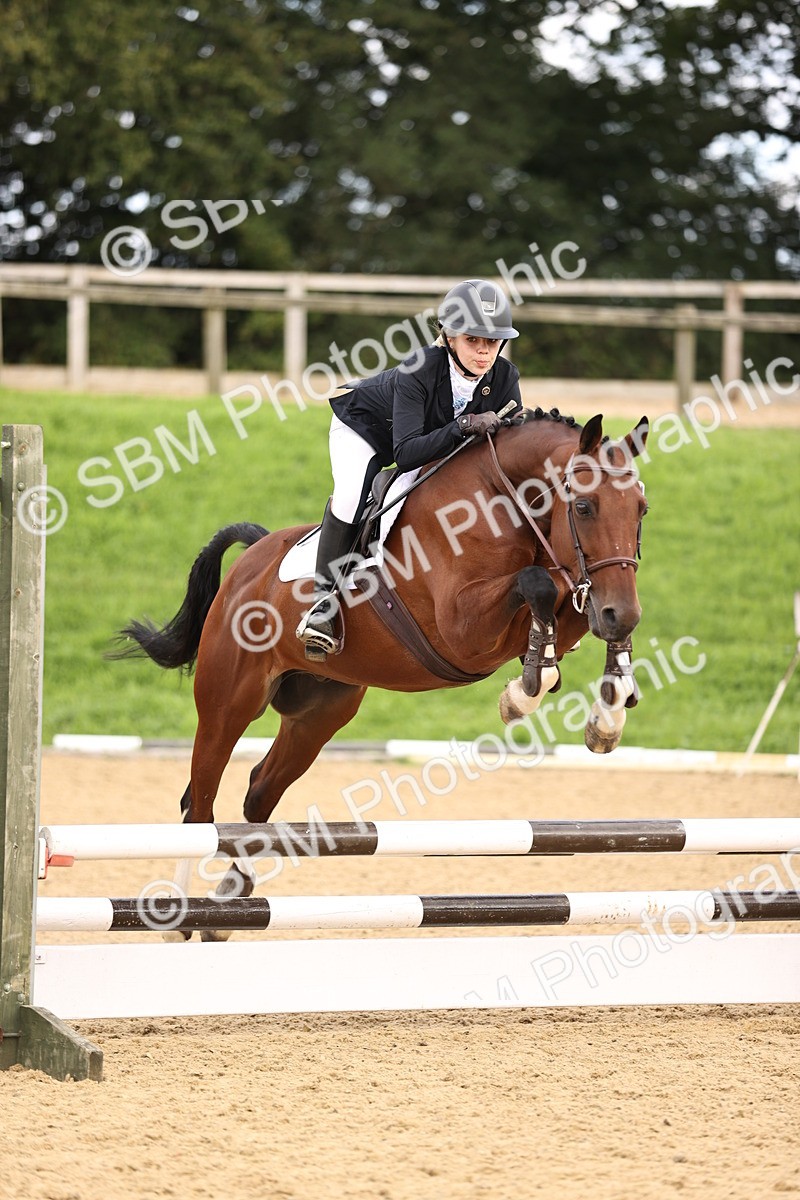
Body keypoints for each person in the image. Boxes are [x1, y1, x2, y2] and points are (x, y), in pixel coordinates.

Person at [295, 278, 522, 660]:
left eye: (492, 342)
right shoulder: (418, 370)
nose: (484, 353)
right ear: (449, 337)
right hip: (367, 429)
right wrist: (464, 425)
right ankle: (322, 605)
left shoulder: (504, 377)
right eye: (473, 341)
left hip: (424, 438)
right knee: (352, 496)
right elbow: (407, 455)